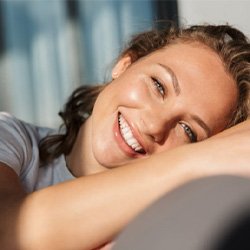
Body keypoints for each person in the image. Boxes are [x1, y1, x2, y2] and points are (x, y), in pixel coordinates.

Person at [0, 23, 250, 250]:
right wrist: (197, 162)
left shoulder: (163, 225)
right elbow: (11, 231)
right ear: (125, 64)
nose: (154, 125)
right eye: (158, 85)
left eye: (188, 130)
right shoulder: (11, 136)